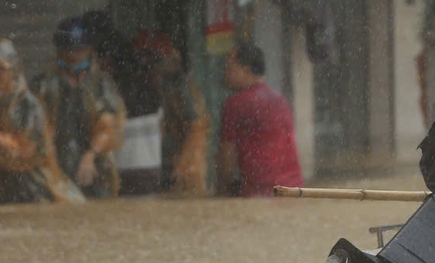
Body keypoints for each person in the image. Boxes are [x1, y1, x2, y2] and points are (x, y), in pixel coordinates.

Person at [0, 40, 83, 205]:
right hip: (4, 190)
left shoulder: (28, 104)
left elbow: (26, 153)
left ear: (13, 71)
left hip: (36, 190)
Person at [33, 16, 127, 199]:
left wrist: (90, 155)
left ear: (90, 50)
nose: (72, 55)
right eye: (67, 49)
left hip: (96, 168)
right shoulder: (44, 84)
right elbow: (36, 129)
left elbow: (110, 124)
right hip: (55, 165)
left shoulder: (101, 84)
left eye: (78, 50)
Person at [218, 42, 303, 197]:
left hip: (260, 192)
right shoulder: (280, 100)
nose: (224, 73)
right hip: (293, 188)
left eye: (229, 68)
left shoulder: (235, 104)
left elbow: (226, 161)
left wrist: (220, 196)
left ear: (246, 70)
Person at [132, 31, 210, 194]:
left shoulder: (183, 88)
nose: (150, 68)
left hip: (185, 167)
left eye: (154, 61)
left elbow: (197, 129)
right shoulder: (160, 89)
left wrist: (182, 164)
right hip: (164, 166)